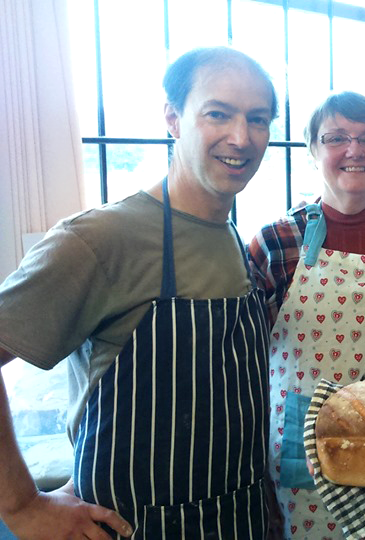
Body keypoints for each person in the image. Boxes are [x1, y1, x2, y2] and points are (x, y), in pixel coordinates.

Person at [0, 47, 277, 538]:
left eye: (258, 119)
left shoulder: (234, 237)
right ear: (173, 117)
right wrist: (21, 504)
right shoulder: (101, 239)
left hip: (243, 520)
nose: (241, 137)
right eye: (218, 114)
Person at [246, 91, 365, 539]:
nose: (354, 150)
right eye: (336, 138)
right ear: (313, 150)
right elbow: (246, 362)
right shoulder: (277, 242)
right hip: (306, 443)